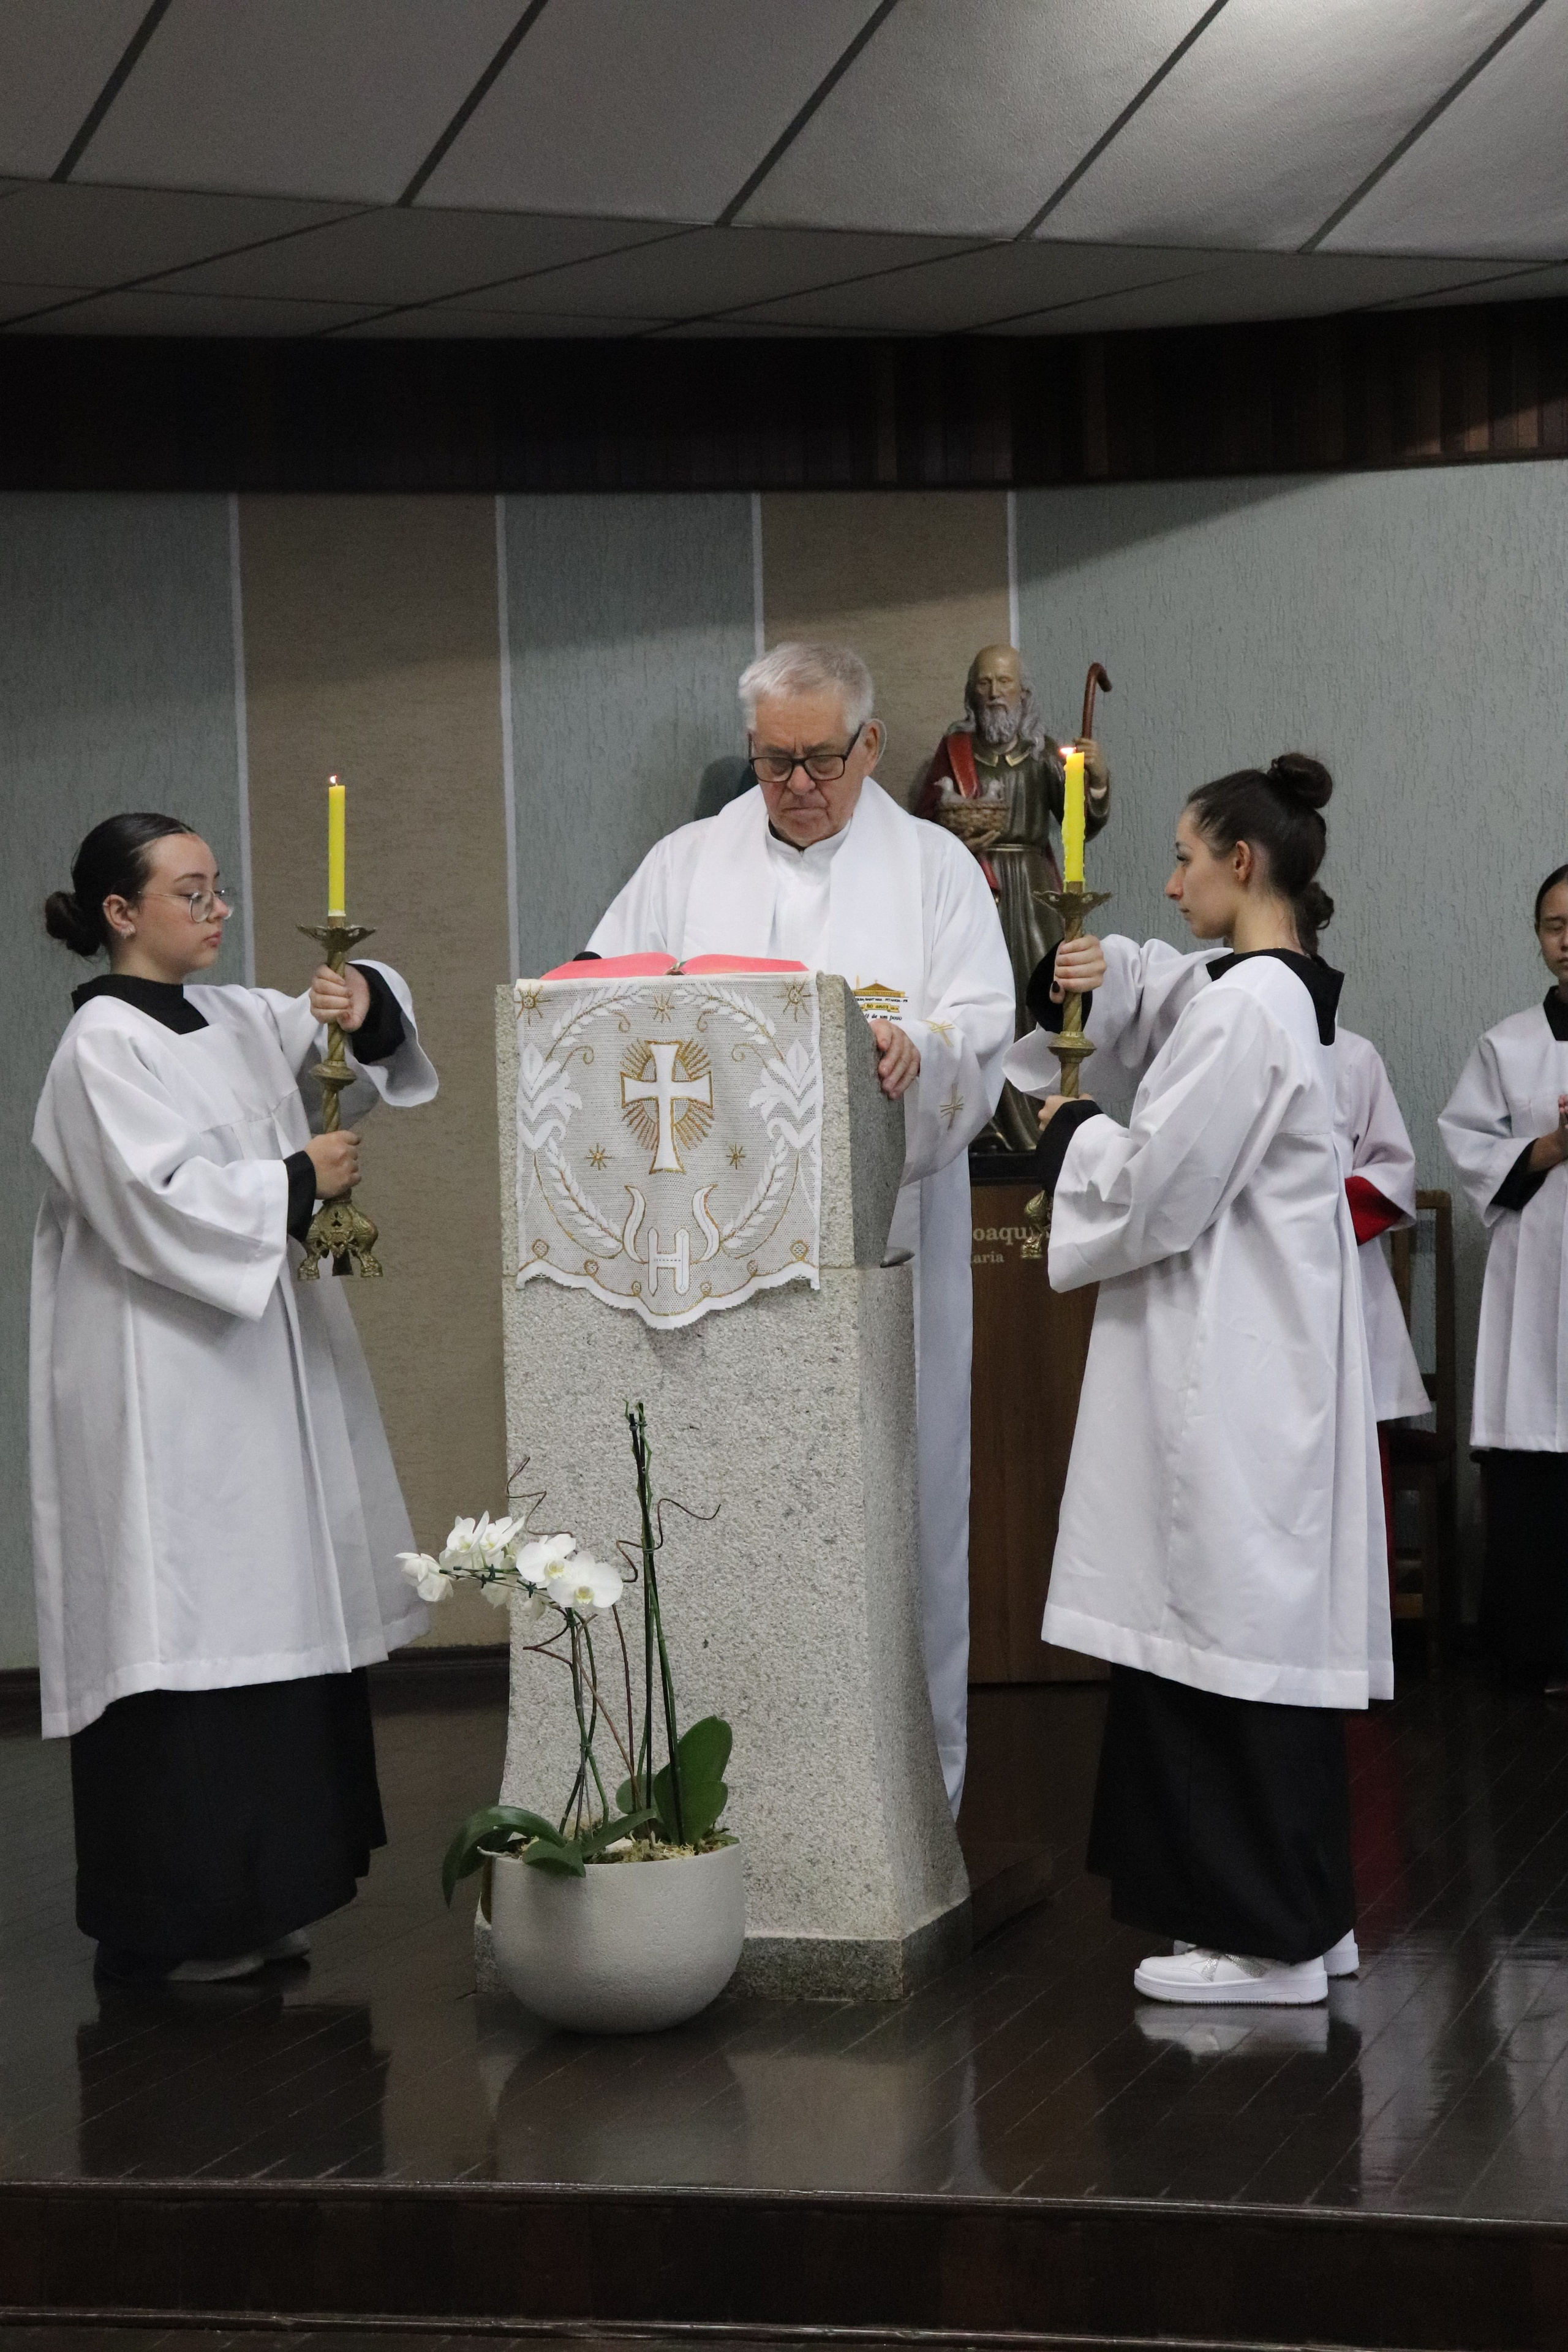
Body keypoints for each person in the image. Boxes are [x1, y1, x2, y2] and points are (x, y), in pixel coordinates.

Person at [586, 642, 1015, 1812]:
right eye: (774, 761)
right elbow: (596, 989)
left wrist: (921, 1050)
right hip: (721, 1253)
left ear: (869, 746)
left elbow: (983, 1023)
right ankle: (733, 1800)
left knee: (896, 1508)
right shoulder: (687, 862)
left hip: (887, 1241)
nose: (797, 785)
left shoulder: (934, 870)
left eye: (820, 758)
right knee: (731, 1514)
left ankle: (911, 1799)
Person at [1006, 755, 1388, 2005]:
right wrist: (1086, 972)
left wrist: (1074, 1139)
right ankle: (1305, 1917)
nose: (1167, 885)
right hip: (1258, 1365)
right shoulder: (1269, 993)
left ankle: (1263, 1944)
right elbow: (1164, 989)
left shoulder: (1247, 1013)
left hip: (1226, 1376)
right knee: (1251, 1644)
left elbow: (1160, 1188)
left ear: (1242, 861)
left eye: (1182, 859)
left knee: (1221, 1646)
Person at [31, 812, 437, 1985]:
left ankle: (270, 1895)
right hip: (163, 1381)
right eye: (190, 892)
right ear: (120, 912)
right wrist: (295, 1179)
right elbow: (151, 1202)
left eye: (217, 890)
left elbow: (341, 1045)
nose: (217, 911)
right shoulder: (101, 1050)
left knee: (274, 1623)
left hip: (255, 1371)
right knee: (185, 1632)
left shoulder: (235, 1015)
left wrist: (365, 998)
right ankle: (176, 1918)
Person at [1438, 864, 1568, 1694]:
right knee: (1539, 1458)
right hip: (1540, 1277)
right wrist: (1552, 1147)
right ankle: (1541, 1653)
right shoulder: (1509, 1045)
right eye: (1556, 926)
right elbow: (1469, 1147)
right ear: (1538, 938)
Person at [918, 643, 1110, 1152]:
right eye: (984, 683)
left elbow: (1078, 824)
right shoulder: (955, 753)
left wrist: (1094, 780)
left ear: (1023, 693)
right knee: (980, 999)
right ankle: (984, 1123)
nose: (994, 693)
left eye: (1004, 682)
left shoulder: (1042, 755)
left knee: (1039, 995)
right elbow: (925, 821)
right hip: (976, 886)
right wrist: (954, 830)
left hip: (1034, 888)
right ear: (971, 693)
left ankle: (1038, 1116)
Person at [1335, 1030, 1431, 1602]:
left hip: (1342, 1282)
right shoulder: (1215, 1044)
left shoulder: (1351, 1055)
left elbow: (1393, 1173)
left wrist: (1305, 1219)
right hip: (1246, 1286)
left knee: (1358, 1490)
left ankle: (1361, 1629)